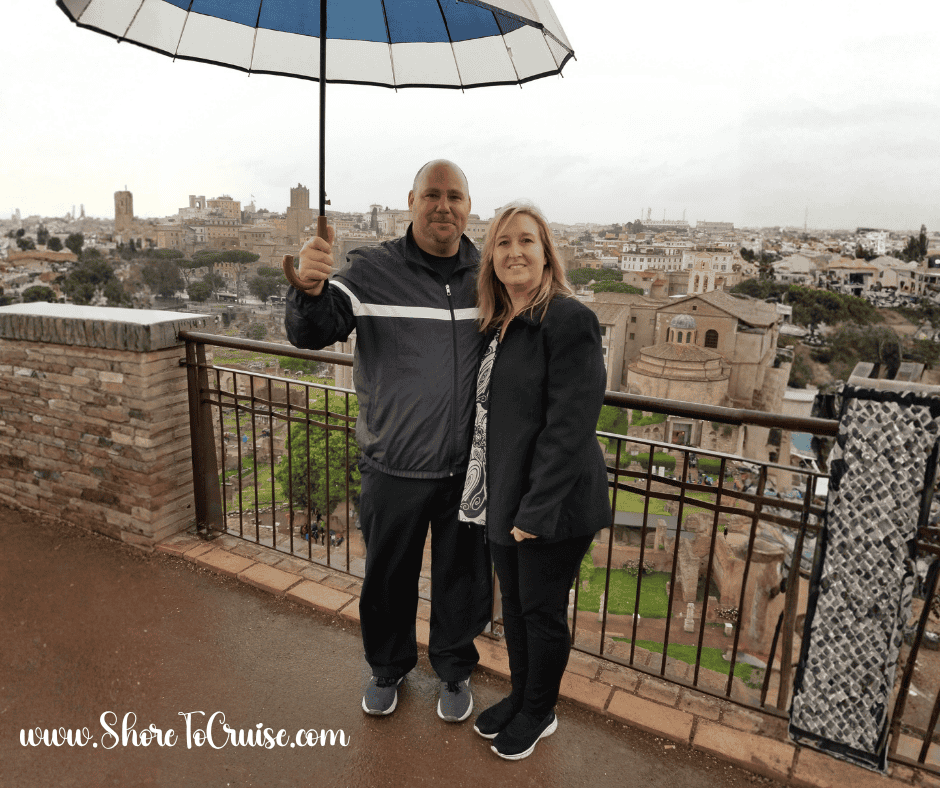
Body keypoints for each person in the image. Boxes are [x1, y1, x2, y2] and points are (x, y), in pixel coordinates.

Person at [284, 160, 491, 722]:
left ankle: (452, 668)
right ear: (411, 201)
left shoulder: (487, 275)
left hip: (467, 470)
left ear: (468, 206)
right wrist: (308, 288)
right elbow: (312, 330)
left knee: (462, 582)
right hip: (393, 464)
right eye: (432, 195)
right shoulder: (373, 270)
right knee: (387, 579)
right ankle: (388, 666)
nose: (443, 206)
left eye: (454, 196)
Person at [459, 202, 611, 760]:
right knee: (517, 610)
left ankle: (540, 712)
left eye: (526, 241)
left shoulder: (568, 320)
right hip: (504, 497)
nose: (514, 252)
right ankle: (523, 696)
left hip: (553, 504)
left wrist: (535, 511)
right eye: (502, 243)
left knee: (542, 613)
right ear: (491, 259)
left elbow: (569, 426)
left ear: (547, 252)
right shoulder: (500, 324)